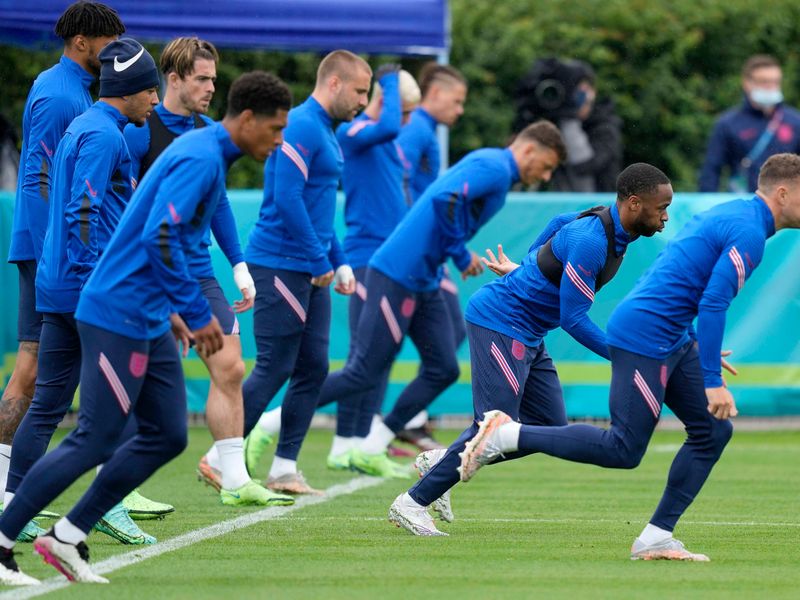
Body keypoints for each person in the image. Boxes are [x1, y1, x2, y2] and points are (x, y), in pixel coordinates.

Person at [0, 69, 290, 585]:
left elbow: (159, 233)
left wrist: (175, 311)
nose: (279, 141)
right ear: (247, 119)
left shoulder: (205, 150)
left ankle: (67, 537)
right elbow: (161, 238)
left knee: (167, 435)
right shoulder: (201, 156)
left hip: (151, 313)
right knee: (92, 436)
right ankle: (2, 542)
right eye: (275, 129)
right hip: (117, 311)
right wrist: (196, 315)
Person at [457, 153, 800, 561]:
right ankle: (503, 435)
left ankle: (656, 536)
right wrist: (711, 380)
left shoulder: (737, 214)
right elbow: (712, 303)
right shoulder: (747, 232)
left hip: (670, 336)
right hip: (647, 336)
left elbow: (678, 280)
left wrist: (700, 348)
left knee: (712, 431)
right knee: (623, 449)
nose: (666, 215)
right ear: (783, 192)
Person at [388, 163, 673, 535]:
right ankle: (411, 503)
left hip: (529, 333)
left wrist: (528, 268)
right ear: (634, 204)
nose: (666, 216)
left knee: (547, 429)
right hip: (500, 322)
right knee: (494, 426)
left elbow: (557, 222)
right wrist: (626, 357)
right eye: (661, 207)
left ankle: (443, 461)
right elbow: (573, 319)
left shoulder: (613, 229)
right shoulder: (592, 240)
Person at [314, 121, 567, 479]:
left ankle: (373, 446)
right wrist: (460, 254)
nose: (544, 176)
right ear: (529, 150)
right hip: (398, 271)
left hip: (425, 276)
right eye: (547, 166)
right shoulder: (495, 168)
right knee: (364, 370)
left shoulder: (497, 171)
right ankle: (271, 422)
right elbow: (444, 199)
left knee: (443, 367)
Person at [3, 37, 163, 548]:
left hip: (59, 283)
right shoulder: (103, 136)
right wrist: (97, 278)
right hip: (85, 288)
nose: (156, 102)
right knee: (112, 402)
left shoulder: (87, 125)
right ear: (130, 89)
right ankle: (106, 507)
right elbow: (83, 211)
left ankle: (15, 507)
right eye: (151, 91)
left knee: (50, 401)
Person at [123, 37, 287, 507]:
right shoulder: (138, 130)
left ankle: (231, 477)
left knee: (231, 367)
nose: (213, 86)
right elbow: (133, 214)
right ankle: (121, 490)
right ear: (172, 79)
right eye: (202, 78)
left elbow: (218, 205)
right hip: (149, 272)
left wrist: (239, 266)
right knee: (134, 379)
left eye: (215, 78)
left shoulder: (211, 132)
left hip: (197, 273)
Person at [1, 0, 124, 525]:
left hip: (49, 249)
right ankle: (8, 489)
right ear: (81, 41)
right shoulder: (59, 94)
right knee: (34, 369)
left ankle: (11, 489)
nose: (113, 55)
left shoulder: (69, 87)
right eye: (107, 44)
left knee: (40, 371)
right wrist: (59, 249)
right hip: (48, 250)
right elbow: (40, 178)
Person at [240, 50, 369, 495]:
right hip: (279, 261)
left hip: (309, 265)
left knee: (313, 366)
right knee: (275, 366)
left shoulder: (327, 132)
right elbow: (286, 198)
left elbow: (316, 210)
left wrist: (340, 260)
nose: (363, 102)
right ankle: (221, 456)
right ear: (334, 83)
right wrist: (320, 262)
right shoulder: (300, 123)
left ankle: (283, 469)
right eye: (359, 91)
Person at [319, 66, 419, 469]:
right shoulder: (354, 132)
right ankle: (341, 442)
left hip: (390, 261)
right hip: (364, 258)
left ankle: (359, 442)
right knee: (364, 356)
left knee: (380, 355)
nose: (406, 119)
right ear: (382, 100)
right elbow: (391, 123)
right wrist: (391, 79)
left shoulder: (388, 143)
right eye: (404, 110)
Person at [394, 62, 469, 452]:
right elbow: (400, 181)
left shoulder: (426, 131)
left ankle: (406, 420)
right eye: (456, 101)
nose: (459, 111)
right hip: (416, 257)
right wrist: (417, 243)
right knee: (441, 341)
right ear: (435, 94)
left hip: (427, 255)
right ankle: (389, 425)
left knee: (448, 338)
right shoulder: (418, 130)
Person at [514, 57, 622, 193]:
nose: (569, 98)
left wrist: (568, 117)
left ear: (592, 92)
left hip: (595, 208)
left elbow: (583, 164)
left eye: (575, 92)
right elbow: (519, 162)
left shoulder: (605, 127)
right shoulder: (550, 120)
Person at [699, 55, 800, 193]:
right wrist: (706, 205)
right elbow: (711, 170)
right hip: (744, 203)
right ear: (747, 83)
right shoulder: (728, 123)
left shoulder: (795, 121)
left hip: (785, 205)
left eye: (775, 82)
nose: (771, 87)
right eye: (764, 81)